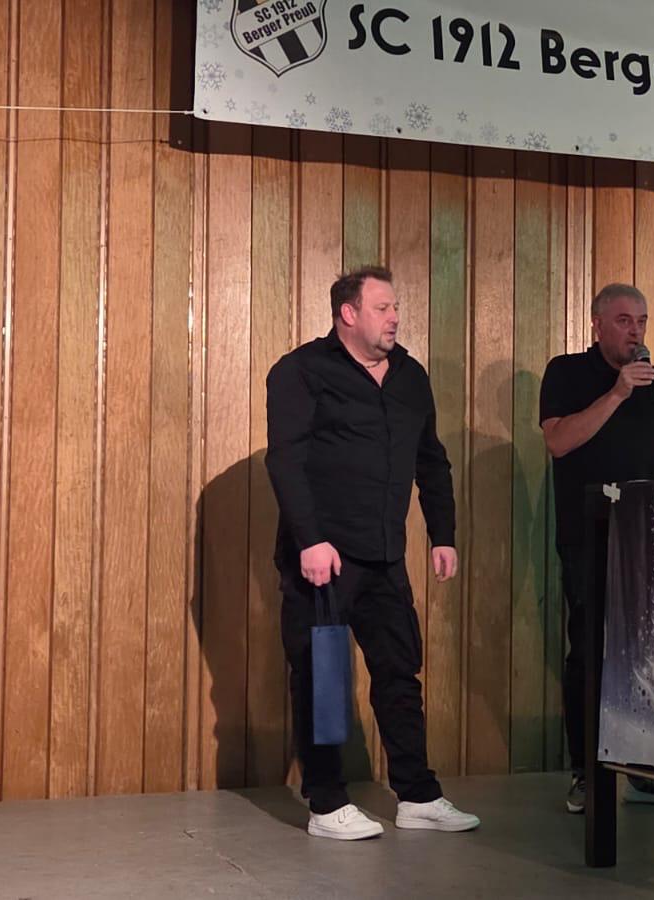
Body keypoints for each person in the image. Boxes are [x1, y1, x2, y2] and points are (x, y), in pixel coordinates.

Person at [265, 266, 479, 839]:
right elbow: (285, 460)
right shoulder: (302, 371)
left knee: (399, 673)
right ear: (349, 313)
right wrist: (310, 539)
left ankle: (418, 795)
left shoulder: (409, 375)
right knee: (325, 676)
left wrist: (442, 534)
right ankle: (327, 803)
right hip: (325, 557)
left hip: (385, 553)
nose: (395, 318)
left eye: (396, 307)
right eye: (383, 308)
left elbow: (430, 459)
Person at [540, 283, 654, 814]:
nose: (635, 331)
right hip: (590, 535)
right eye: (624, 321)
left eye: (641, 321)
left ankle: (643, 766)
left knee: (649, 652)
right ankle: (587, 770)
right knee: (591, 651)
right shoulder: (566, 373)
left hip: (648, 534)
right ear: (597, 324)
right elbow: (559, 442)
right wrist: (618, 393)